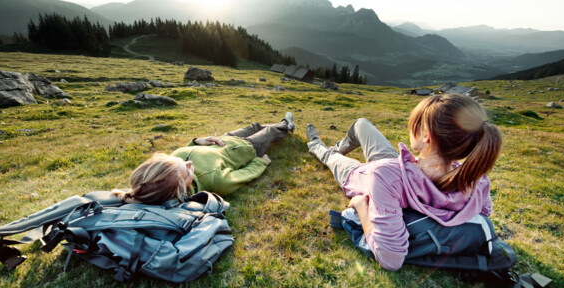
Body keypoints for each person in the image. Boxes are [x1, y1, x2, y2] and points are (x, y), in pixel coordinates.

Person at [306, 94, 502, 271]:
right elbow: (483, 213)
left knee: (331, 157)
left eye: (415, 123)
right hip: (400, 167)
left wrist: (360, 205)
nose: (410, 128)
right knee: (361, 124)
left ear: (426, 135)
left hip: (365, 175)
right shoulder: (475, 180)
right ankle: (339, 147)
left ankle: (315, 144)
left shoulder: (386, 176)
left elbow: (390, 259)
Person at [112, 113, 296, 204]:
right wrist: (260, 162)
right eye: (188, 170)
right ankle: (286, 125)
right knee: (270, 131)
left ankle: (275, 126)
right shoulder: (215, 181)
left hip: (224, 139)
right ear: (183, 188)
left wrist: (196, 141)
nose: (189, 163)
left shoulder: (170, 166)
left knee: (254, 125)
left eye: (181, 161)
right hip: (247, 148)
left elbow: (186, 151)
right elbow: (244, 175)